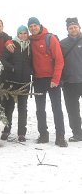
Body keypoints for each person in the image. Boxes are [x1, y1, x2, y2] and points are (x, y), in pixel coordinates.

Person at [26, 17, 67, 147]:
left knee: (57, 108)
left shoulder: (50, 38)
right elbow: (16, 41)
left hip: (52, 79)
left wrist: (55, 79)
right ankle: (43, 134)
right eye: (30, 26)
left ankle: (60, 136)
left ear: (39, 25)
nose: (33, 28)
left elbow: (59, 60)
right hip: (38, 79)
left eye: (35, 25)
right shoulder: (30, 40)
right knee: (40, 109)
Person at [0, 25, 32, 142]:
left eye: (25, 33)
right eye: (20, 33)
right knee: (9, 107)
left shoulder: (30, 46)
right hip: (11, 82)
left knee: (23, 108)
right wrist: (12, 68)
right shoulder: (12, 44)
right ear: (17, 34)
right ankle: (6, 130)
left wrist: (31, 71)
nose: (23, 35)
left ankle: (21, 133)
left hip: (24, 83)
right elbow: (2, 59)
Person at [60, 17, 82, 142]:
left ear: (79, 27)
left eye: (75, 27)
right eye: (70, 28)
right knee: (73, 110)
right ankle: (77, 134)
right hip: (69, 83)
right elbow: (57, 62)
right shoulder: (62, 44)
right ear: (67, 30)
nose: (73, 29)